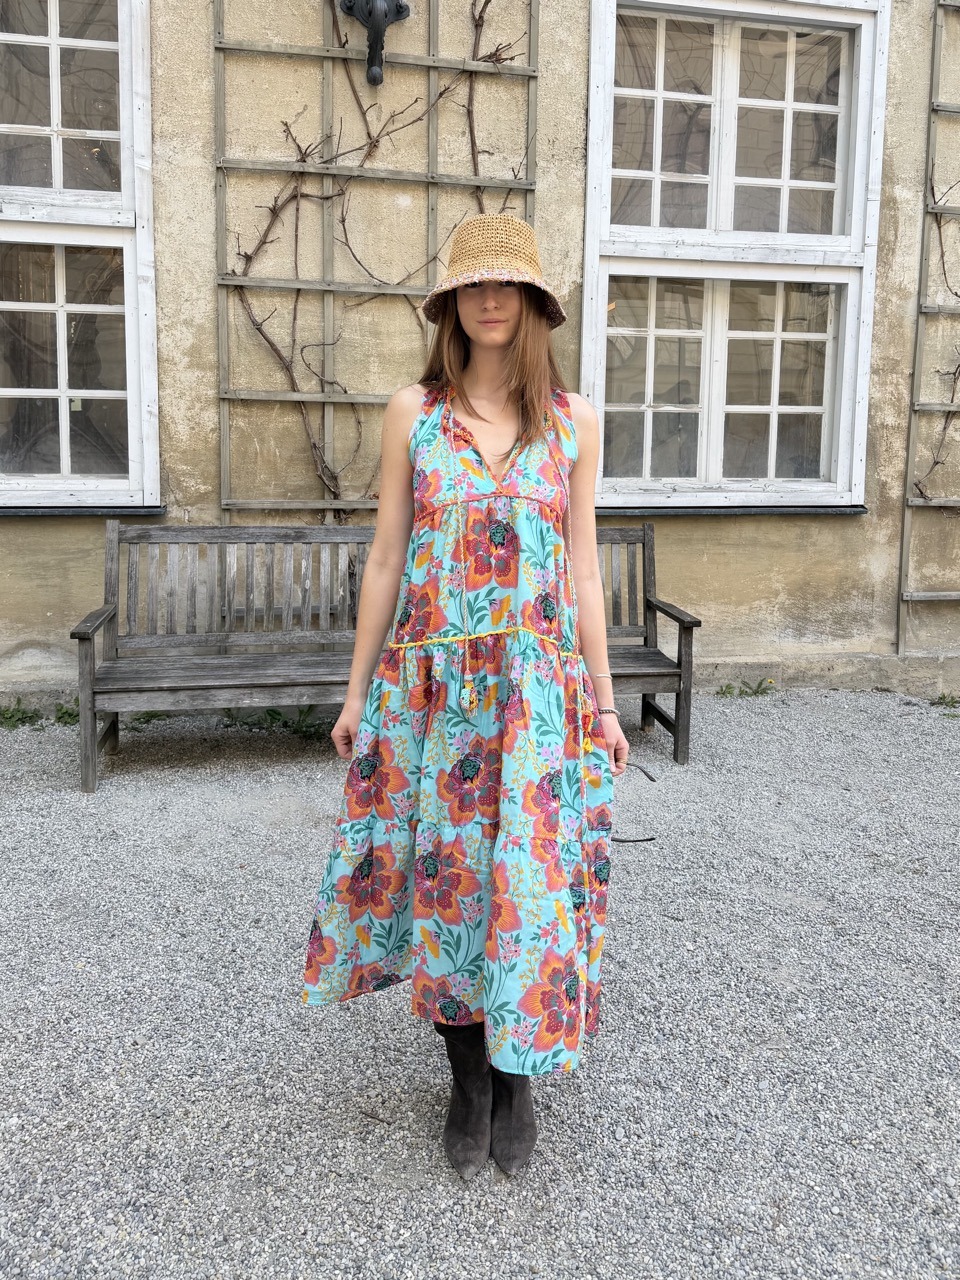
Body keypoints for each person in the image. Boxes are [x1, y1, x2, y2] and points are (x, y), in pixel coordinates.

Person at [302, 213, 629, 1180]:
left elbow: (583, 571)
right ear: (451, 304)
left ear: (532, 304)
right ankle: (467, 1080)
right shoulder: (414, 412)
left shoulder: (575, 422)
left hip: (535, 700)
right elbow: (386, 558)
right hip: (435, 699)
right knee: (448, 883)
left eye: (506, 284)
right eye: (472, 285)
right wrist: (356, 695)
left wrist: (605, 704)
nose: (490, 299)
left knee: (528, 885)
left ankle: (518, 1077)